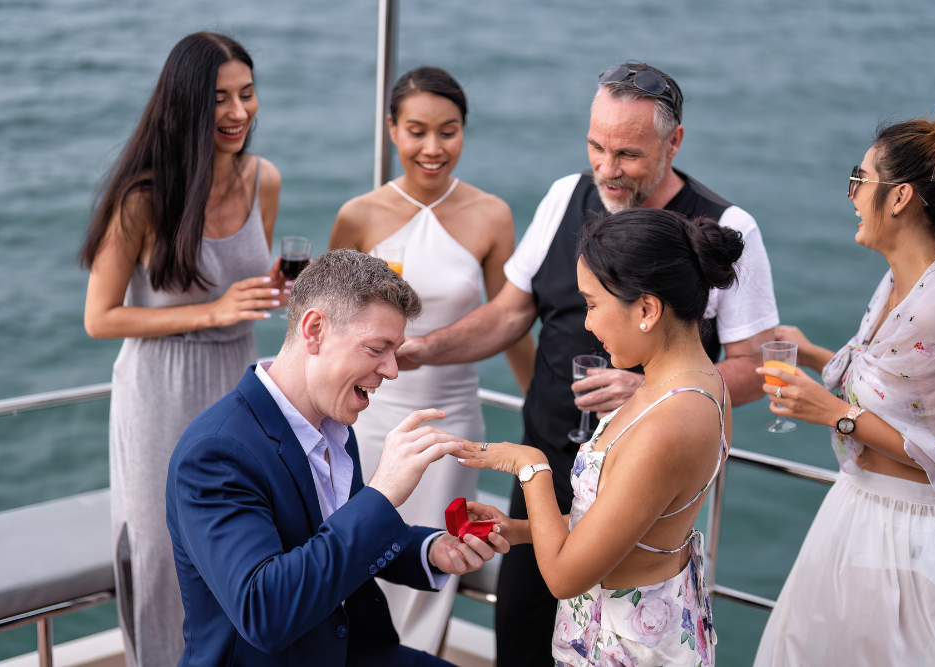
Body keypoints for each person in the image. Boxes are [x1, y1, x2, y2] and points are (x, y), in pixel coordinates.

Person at [396, 62, 779, 665]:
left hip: (631, 481)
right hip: (556, 473)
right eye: (595, 146)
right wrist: (421, 349)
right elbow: (508, 314)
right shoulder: (562, 196)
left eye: (626, 153)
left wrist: (645, 388)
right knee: (522, 636)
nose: (605, 168)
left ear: (674, 141)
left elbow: (756, 366)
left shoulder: (730, 229)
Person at [166, 250, 509, 667]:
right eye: (377, 348)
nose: (393, 370)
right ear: (314, 331)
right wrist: (383, 493)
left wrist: (432, 549)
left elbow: (340, 535)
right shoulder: (216, 453)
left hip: (352, 651)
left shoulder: (335, 428)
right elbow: (265, 612)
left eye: (395, 350)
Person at [80, 32, 285, 667]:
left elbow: (244, 281)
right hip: (158, 390)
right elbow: (99, 317)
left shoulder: (263, 179)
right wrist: (214, 310)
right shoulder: (142, 198)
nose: (238, 112)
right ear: (185, 105)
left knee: (245, 540)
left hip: (239, 378)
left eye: (247, 95)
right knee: (163, 553)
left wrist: (274, 288)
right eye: (219, 98)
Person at [459, 209, 740, 667]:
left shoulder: (664, 427)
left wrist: (530, 466)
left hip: (620, 649)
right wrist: (520, 530)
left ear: (647, 310)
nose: (587, 324)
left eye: (592, 304)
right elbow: (625, 527)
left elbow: (564, 578)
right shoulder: (707, 387)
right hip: (660, 627)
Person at [329, 65, 535, 653]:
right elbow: (334, 329)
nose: (432, 147)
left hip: (451, 424)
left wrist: (536, 403)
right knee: (359, 559)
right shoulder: (358, 215)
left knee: (434, 567)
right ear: (392, 129)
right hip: (366, 420)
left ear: (464, 132)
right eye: (416, 130)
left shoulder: (492, 215)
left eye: (448, 131)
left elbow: (511, 320)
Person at [753, 111, 935, 665]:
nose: (851, 194)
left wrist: (832, 412)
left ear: (899, 198)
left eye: (860, 180)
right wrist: (816, 354)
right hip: (857, 505)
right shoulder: (902, 279)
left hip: (905, 529)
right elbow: (899, 384)